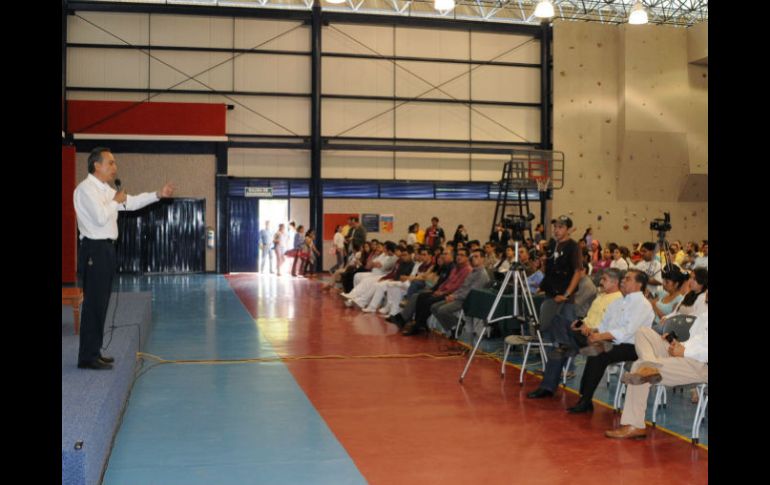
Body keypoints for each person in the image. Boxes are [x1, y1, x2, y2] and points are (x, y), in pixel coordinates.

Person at [74, 147, 175, 370]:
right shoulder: (85, 190)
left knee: (102, 303)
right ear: (96, 166)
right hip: (94, 250)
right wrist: (115, 201)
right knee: (93, 305)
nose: (114, 167)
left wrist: (158, 194)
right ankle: (86, 357)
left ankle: (94, 351)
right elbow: (100, 218)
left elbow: (132, 201)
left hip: (107, 249)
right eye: (110, 163)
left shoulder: (107, 190)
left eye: (114, 163)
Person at [606, 301, 707, 440]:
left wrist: (685, 351)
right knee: (643, 332)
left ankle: (635, 425)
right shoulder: (704, 315)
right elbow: (694, 342)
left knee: (638, 366)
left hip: (700, 365)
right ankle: (650, 366)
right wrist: (677, 344)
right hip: (685, 355)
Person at [565, 269, 654, 413]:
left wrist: (600, 337)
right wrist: (591, 330)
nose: (623, 280)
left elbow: (627, 332)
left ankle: (585, 400)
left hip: (633, 347)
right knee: (591, 345)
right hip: (612, 342)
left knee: (599, 353)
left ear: (639, 284)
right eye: (623, 278)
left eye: (628, 279)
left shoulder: (642, 304)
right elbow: (603, 326)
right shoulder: (618, 302)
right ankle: (584, 398)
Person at [527, 268, 622, 399]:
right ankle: (546, 387)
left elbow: (612, 326)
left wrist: (592, 330)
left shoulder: (618, 300)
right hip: (584, 332)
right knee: (557, 319)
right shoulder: (601, 296)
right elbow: (589, 317)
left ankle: (564, 345)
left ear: (615, 282)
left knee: (559, 349)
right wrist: (579, 323)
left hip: (597, 337)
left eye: (604, 279)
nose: (601, 281)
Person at [537, 215, 582, 341]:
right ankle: (550, 359)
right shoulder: (552, 245)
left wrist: (566, 294)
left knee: (567, 331)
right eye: (555, 227)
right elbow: (548, 271)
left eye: (560, 227)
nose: (556, 230)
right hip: (550, 293)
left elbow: (578, 272)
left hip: (565, 297)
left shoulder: (573, 247)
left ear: (568, 230)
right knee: (547, 327)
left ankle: (568, 360)